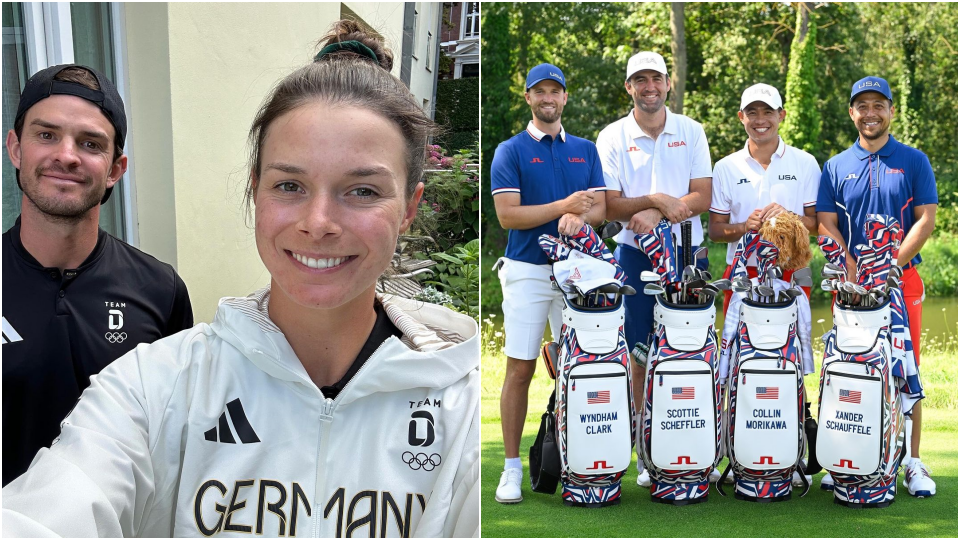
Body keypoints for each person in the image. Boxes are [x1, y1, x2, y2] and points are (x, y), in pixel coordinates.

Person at [3, 21, 480, 537]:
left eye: (362, 190)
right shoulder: (152, 387)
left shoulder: (463, 411)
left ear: (409, 207)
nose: (318, 222)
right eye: (290, 184)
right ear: (256, 190)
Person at [2, 64, 194, 486]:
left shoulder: (160, 290)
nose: (66, 155)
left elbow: (177, 437)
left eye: (90, 143)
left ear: (115, 169)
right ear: (16, 148)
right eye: (46, 135)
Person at [490, 63, 606, 504]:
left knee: (579, 368)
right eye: (539, 92)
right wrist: (563, 207)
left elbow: (600, 208)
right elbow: (509, 216)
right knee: (521, 367)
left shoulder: (584, 149)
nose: (548, 99)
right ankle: (513, 468)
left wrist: (580, 215)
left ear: (565, 97)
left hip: (579, 271)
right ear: (528, 98)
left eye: (555, 91)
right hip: (527, 271)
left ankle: (579, 459)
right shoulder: (511, 150)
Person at [595, 51, 712, 487]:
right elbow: (611, 204)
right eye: (639, 80)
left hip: (689, 254)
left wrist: (661, 212)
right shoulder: (612, 136)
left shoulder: (691, 130)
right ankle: (646, 449)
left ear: (668, 84)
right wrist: (657, 200)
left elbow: (702, 195)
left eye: (656, 79)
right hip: (633, 254)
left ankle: (692, 439)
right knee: (639, 351)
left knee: (691, 347)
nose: (649, 87)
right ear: (629, 87)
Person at [817, 76, 937, 497]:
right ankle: (846, 455)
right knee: (849, 367)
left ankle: (913, 462)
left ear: (890, 110)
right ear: (852, 113)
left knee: (906, 370)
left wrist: (891, 264)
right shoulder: (834, 166)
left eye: (878, 105)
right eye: (861, 106)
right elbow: (826, 224)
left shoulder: (913, 159)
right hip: (850, 287)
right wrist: (850, 264)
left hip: (901, 281)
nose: (870, 113)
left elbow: (925, 219)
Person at [708, 83, 820, 486]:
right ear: (742, 118)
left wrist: (785, 216)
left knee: (791, 364)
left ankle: (789, 454)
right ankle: (740, 451)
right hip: (742, 279)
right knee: (738, 362)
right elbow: (717, 230)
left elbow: (816, 223)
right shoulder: (726, 167)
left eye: (767, 112)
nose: (760, 120)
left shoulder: (805, 162)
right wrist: (746, 226)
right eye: (751, 113)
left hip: (793, 275)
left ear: (781, 116)